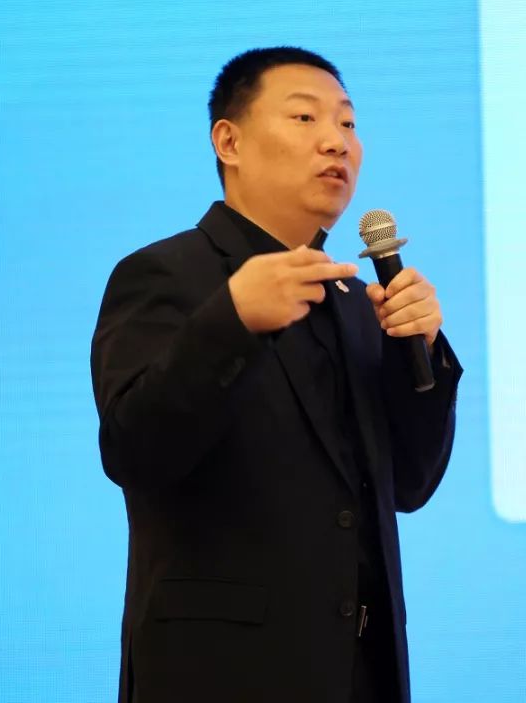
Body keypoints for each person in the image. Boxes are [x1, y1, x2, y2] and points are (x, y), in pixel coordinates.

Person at [90, 46, 462, 703]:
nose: (336, 142)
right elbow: (134, 449)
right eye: (305, 117)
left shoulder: (356, 303)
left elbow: (408, 485)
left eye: (347, 123)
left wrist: (422, 351)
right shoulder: (166, 274)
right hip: (222, 677)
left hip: (361, 677)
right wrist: (232, 319)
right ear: (229, 141)